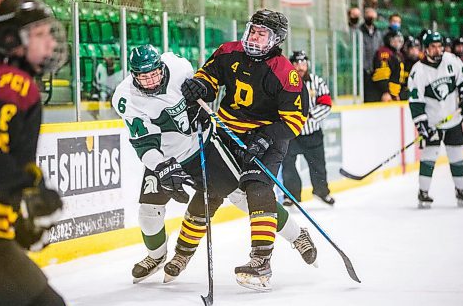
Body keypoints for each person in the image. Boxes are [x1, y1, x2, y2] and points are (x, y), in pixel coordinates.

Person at [111, 44, 316, 291]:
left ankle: (297, 235)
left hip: (202, 147)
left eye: (154, 73)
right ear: (133, 75)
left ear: (161, 66)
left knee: (242, 198)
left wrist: (200, 103)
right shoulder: (126, 97)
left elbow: (204, 86)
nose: (151, 80)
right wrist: (163, 167)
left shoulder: (178, 66)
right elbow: (144, 145)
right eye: (143, 77)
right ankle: (156, 257)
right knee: (148, 212)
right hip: (163, 158)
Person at [179, 9, 310, 290]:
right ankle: (181, 254)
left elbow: (295, 121)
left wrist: (265, 138)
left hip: (267, 138)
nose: (254, 37)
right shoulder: (229, 52)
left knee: (257, 188)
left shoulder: (287, 73)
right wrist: (199, 87)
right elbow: (210, 77)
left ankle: (261, 261)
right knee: (208, 191)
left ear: (276, 40)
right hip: (227, 132)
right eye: (253, 30)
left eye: (262, 34)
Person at [0, 0, 68, 306]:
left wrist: (24, 203)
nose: (51, 41)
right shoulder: (12, 82)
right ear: (11, 40)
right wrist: (27, 193)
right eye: (40, 33)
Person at [408, 31, 463, 208]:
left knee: (456, 155)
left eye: (439, 46)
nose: (438, 50)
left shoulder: (451, 60)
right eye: (433, 47)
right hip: (433, 123)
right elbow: (416, 101)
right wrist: (421, 124)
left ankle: (460, 190)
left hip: (453, 120)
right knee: (429, 156)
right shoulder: (418, 71)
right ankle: (423, 192)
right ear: (426, 49)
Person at [282, 51, 335, 206]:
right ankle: (291, 195)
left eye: (303, 63)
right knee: (288, 165)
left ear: (308, 65)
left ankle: (321, 191)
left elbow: (326, 104)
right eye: (296, 64)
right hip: (291, 133)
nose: (300, 67)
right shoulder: (284, 83)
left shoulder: (317, 82)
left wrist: (308, 115)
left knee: (318, 164)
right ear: (291, 65)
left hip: (312, 133)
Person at [371, 30, 404, 101]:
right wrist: (386, 91)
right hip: (381, 93)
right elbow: (382, 75)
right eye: (394, 40)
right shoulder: (384, 52)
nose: (397, 43)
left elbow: (396, 76)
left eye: (399, 40)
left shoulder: (398, 55)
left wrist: (395, 93)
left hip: (393, 92)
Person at [360, 7, 384, 102]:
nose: (370, 17)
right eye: (368, 15)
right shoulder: (359, 31)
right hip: (363, 71)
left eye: (372, 15)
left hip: (376, 70)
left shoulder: (378, 33)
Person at [400, 36, 421, 100]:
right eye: (412, 49)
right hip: (404, 92)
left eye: (416, 49)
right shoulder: (402, 62)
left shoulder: (422, 64)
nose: (414, 52)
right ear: (407, 50)